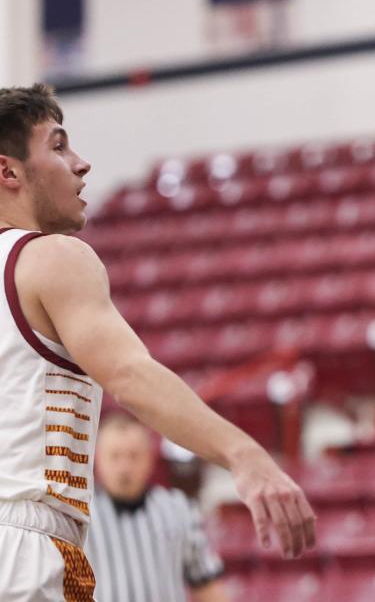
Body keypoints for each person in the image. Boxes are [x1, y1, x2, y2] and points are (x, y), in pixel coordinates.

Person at [0, 85, 315, 602]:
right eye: (58, 146)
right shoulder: (53, 257)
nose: (81, 163)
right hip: (22, 550)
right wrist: (243, 454)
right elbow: (129, 375)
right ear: (9, 172)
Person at [86, 414, 227, 602]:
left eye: (133, 456)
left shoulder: (178, 509)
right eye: (115, 456)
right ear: (98, 461)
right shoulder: (81, 515)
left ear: (149, 458)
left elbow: (206, 584)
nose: (124, 467)